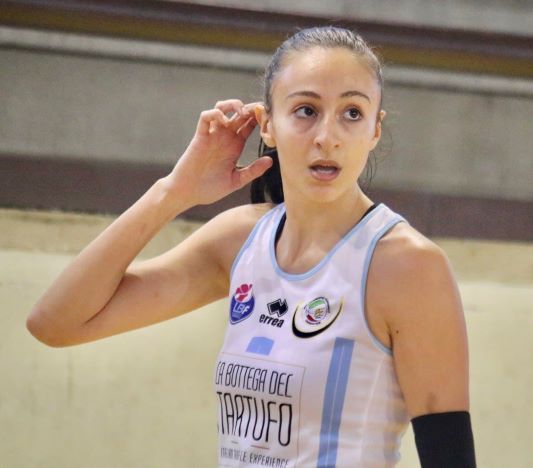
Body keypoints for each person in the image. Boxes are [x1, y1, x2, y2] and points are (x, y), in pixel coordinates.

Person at [27, 26, 475, 467]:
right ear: (268, 125)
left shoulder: (408, 266)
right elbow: (56, 322)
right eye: (306, 110)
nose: (328, 136)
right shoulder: (239, 240)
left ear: (375, 130)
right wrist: (174, 192)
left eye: (352, 113)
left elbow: (450, 457)